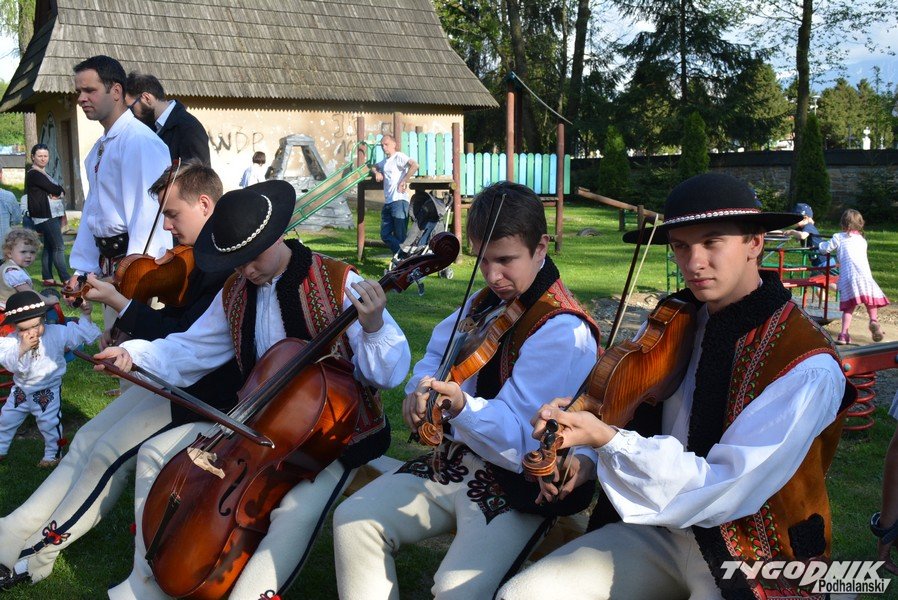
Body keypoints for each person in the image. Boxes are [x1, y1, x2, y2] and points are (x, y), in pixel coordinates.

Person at [496, 172, 856, 600]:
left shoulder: (807, 364)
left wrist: (609, 441)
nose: (694, 262)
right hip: (658, 531)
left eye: (712, 242)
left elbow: (725, 487)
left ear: (755, 243)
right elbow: (630, 409)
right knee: (521, 595)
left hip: (753, 550)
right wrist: (586, 455)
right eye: (681, 246)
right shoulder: (675, 319)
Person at [100, 179, 410, 600]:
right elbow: (192, 349)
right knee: (155, 453)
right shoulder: (235, 290)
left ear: (276, 236)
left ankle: (250, 592)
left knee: (293, 511)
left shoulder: (337, 280)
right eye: (237, 261)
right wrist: (131, 355)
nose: (246, 270)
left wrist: (372, 327)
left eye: (253, 258)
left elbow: (389, 373)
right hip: (252, 425)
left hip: (329, 438)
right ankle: (148, 578)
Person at [334, 181, 600, 599]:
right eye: (483, 260)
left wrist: (460, 407)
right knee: (354, 520)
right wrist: (421, 389)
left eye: (506, 260)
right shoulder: (487, 302)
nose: (492, 275)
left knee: (455, 590)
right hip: (456, 461)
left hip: (518, 487)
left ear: (541, 248)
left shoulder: (563, 331)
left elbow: (521, 443)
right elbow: (436, 354)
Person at [0, 162, 243, 591]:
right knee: (88, 437)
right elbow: (179, 330)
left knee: (107, 452)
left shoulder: (227, 263)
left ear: (205, 205)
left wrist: (121, 305)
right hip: (176, 375)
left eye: (172, 214)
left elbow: (189, 340)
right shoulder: (203, 255)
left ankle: (39, 553)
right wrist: (126, 319)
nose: (165, 227)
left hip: (205, 390)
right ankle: (15, 526)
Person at [67, 56, 172, 317]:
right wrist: (83, 269)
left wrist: (135, 277)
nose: (81, 98)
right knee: (113, 338)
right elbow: (93, 211)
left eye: (89, 90)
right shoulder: (99, 148)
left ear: (115, 91)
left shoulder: (139, 142)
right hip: (111, 268)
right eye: (79, 91)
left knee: (136, 340)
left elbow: (149, 214)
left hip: (139, 270)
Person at [0, 291, 98, 469]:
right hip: (21, 390)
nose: (32, 333)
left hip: (47, 390)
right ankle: (1, 448)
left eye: (36, 326)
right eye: (24, 329)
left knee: (49, 423)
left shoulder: (57, 332)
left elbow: (81, 334)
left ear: (43, 318)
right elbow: (8, 362)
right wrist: (22, 348)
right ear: (14, 327)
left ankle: (53, 454)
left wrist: (86, 315)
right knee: (6, 419)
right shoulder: (11, 341)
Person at [818, 208, 888, 344]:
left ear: (842, 223)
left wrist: (819, 244)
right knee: (870, 301)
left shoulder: (838, 237)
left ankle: (843, 335)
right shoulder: (862, 240)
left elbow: (826, 248)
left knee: (848, 307)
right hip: (865, 276)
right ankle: (873, 321)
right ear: (860, 224)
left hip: (848, 277)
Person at [125, 72, 211, 167]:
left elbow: (199, 174)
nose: (131, 114)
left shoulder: (189, 128)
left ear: (146, 98)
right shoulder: (150, 127)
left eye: (131, 108)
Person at [25, 144, 71, 287]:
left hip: (50, 215)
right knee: (59, 247)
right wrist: (57, 191)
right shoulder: (34, 174)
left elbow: (60, 189)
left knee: (50, 247)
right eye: (40, 156)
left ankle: (48, 278)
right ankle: (66, 280)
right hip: (45, 216)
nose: (43, 158)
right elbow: (55, 189)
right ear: (33, 157)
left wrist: (58, 191)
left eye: (46, 156)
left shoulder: (44, 174)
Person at [371, 134, 418, 256]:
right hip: (388, 203)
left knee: (400, 235)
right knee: (385, 234)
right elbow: (374, 167)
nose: (384, 147)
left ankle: (403, 260)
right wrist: (377, 172)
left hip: (399, 201)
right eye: (382, 145)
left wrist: (404, 180)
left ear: (394, 144)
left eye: (386, 144)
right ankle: (406, 255)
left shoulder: (399, 156)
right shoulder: (385, 162)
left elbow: (415, 165)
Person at [0, 228, 59, 309]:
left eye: (32, 252)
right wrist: (48, 301)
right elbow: (29, 293)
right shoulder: (13, 272)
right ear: (9, 253)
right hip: (12, 310)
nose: (28, 256)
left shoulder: (9, 266)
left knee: (50, 292)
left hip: (16, 305)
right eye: (23, 252)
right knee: (50, 299)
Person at [782, 203, 835, 269]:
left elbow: (803, 236)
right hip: (818, 261)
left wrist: (792, 232)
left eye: (796, 218)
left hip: (824, 261)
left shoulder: (809, 226)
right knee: (816, 274)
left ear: (805, 218)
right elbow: (785, 232)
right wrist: (771, 231)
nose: (794, 221)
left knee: (825, 275)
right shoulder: (801, 228)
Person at [0, 167, 21, 247]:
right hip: (3, 247)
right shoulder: (8, 197)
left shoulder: (8, 197)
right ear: (1, 175)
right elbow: (17, 220)